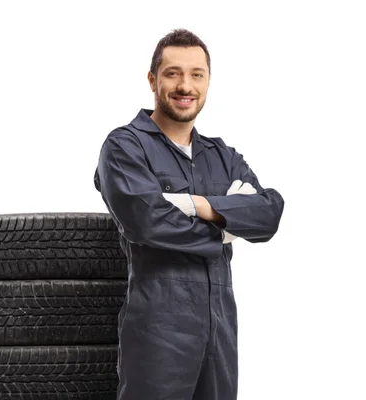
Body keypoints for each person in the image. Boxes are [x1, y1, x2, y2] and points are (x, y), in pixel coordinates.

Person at [93, 28, 285, 400]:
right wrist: (229, 226)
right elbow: (146, 222)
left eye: (197, 74)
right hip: (158, 330)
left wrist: (198, 205)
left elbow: (269, 213)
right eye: (173, 73)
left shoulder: (223, 155)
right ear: (153, 80)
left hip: (222, 328)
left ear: (208, 81)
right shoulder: (125, 147)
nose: (185, 85)